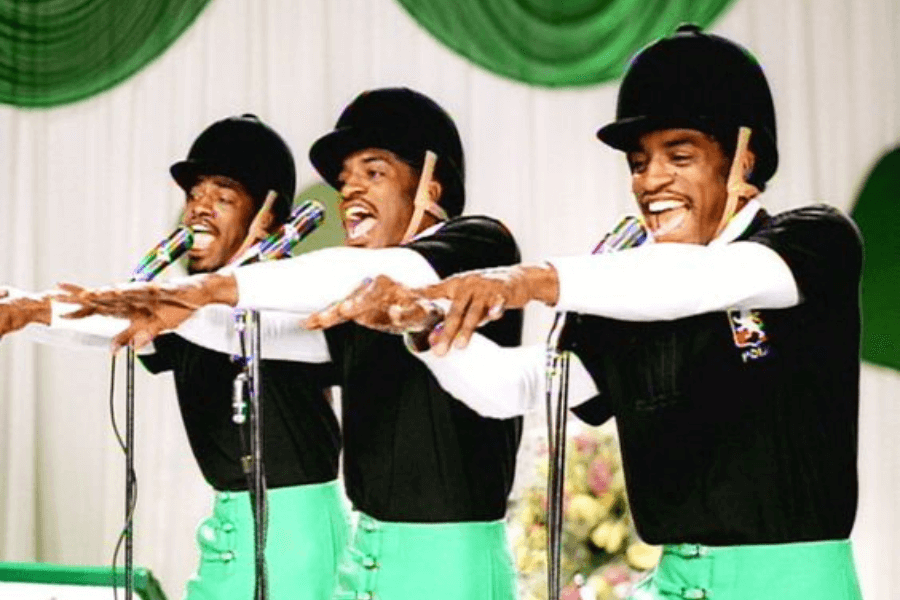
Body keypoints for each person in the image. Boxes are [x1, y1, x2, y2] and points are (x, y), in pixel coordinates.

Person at [302, 26, 865, 600]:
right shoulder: (628, 293)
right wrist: (428, 328)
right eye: (639, 162)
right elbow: (519, 387)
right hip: (673, 580)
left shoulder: (813, 241)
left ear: (744, 158)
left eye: (680, 155)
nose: (651, 181)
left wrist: (528, 281)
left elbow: (702, 282)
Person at [57, 88, 525, 600]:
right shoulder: (356, 300)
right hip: (364, 563)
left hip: (447, 571)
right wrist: (165, 312)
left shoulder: (480, 244)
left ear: (431, 187)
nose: (349, 193)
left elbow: (384, 270)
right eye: (345, 181)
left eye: (374, 173)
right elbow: (259, 334)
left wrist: (203, 290)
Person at [0, 115, 348, 600]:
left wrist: (37, 308)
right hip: (229, 528)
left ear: (267, 216)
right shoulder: (188, 311)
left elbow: (221, 323)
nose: (199, 211)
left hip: (295, 536)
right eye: (193, 196)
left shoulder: (291, 292)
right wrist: (27, 311)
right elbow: (120, 326)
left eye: (222, 196)